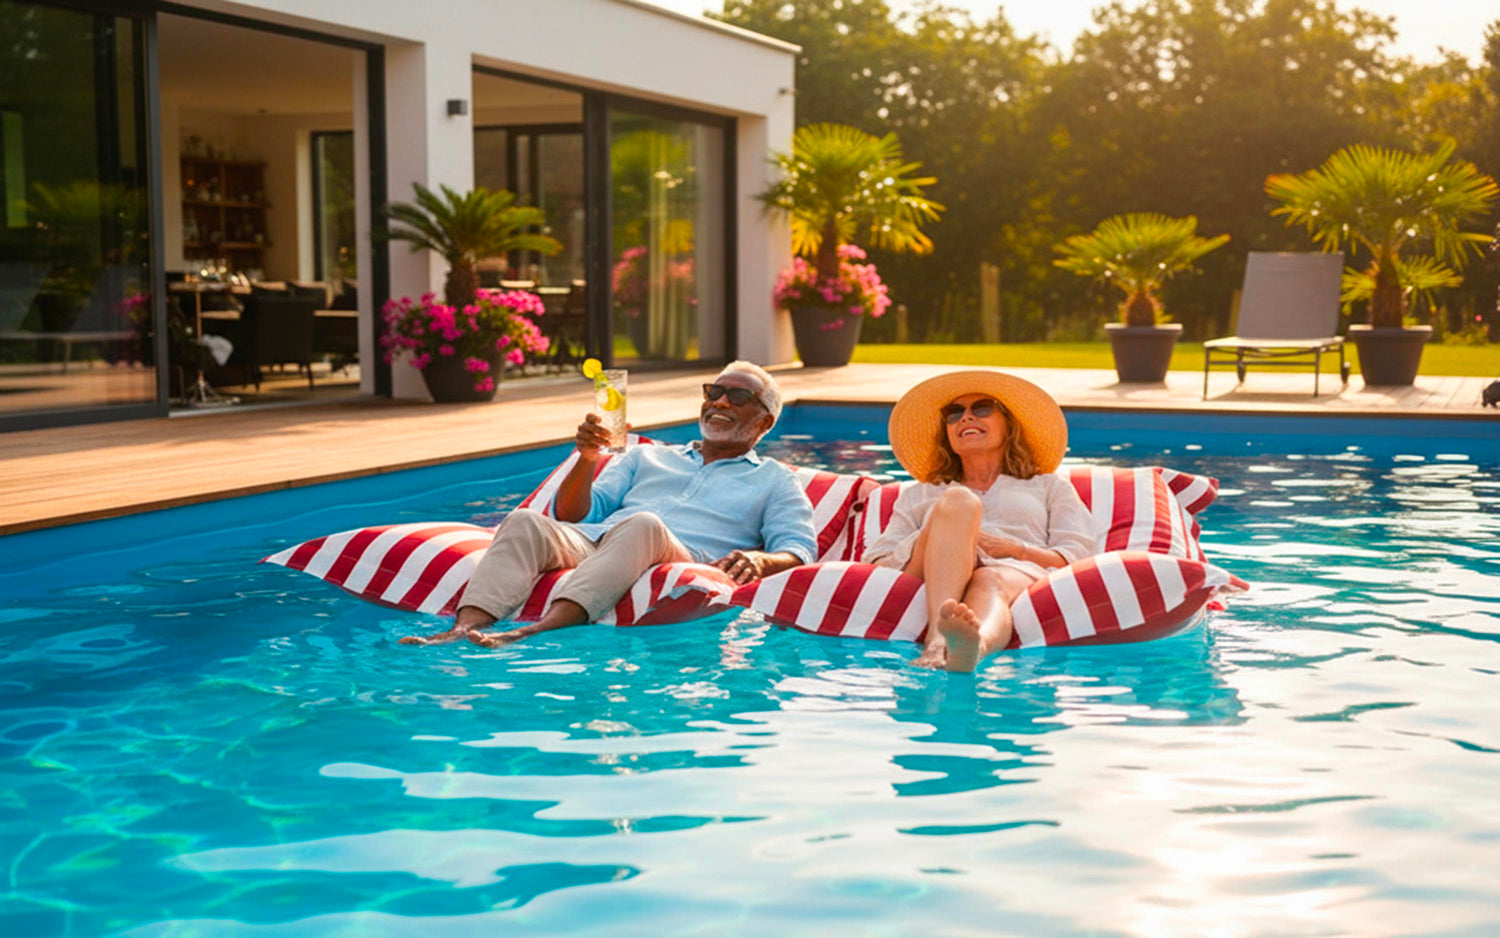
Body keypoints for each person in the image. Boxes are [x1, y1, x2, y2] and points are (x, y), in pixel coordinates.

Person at [400, 361, 817, 649]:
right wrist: (587, 458)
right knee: (525, 519)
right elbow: (575, 514)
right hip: (598, 542)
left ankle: (538, 630)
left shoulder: (776, 479)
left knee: (643, 523)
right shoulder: (645, 456)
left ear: (765, 421)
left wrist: (763, 562)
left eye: (738, 396)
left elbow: (799, 548)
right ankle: (463, 628)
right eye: (715, 391)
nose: (720, 402)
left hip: (676, 550)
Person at [862, 371, 1096, 672]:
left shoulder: (1049, 487)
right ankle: (937, 641)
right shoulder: (921, 493)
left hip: (1011, 570)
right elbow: (878, 561)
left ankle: (974, 646)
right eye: (954, 413)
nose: (966, 418)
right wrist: (943, 534)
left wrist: (1015, 549)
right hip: (929, 569)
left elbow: (1077, 555)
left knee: (989, 579)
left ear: (1009, 426)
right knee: (960, 501)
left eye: (983, 408)